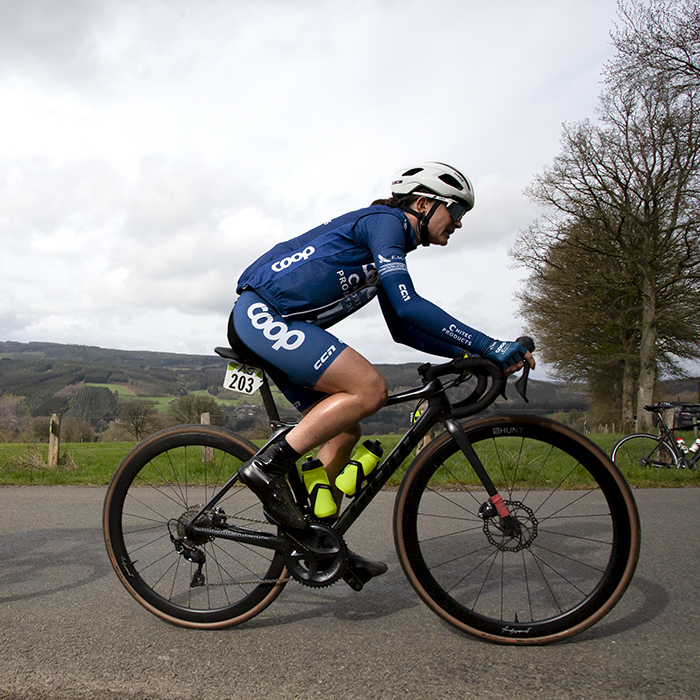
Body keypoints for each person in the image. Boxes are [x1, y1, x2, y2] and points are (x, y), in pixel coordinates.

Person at [228, 161, 535, 584]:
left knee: (344, 431)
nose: (459, 224)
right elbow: (409, 304)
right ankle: (267, 468)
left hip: (280, 321)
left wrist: (466, 356)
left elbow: (403, 326)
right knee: (370, 388)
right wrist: (488, 345)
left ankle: (317, 541)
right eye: (457, 213)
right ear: (424, 203)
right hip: (263, 313)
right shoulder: (386, 223)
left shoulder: (391, 243)